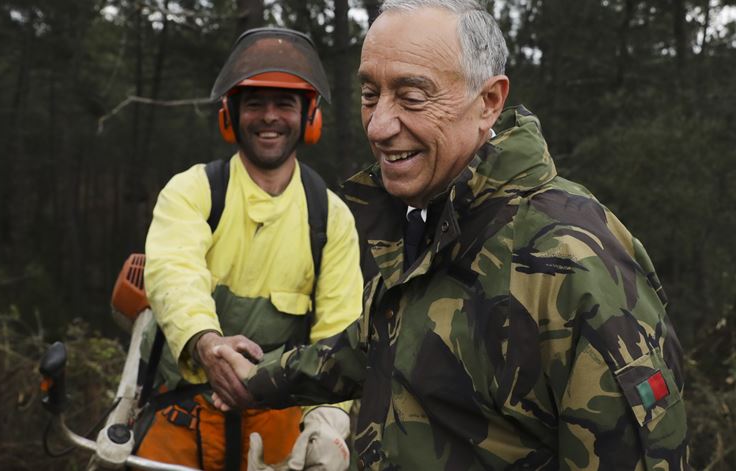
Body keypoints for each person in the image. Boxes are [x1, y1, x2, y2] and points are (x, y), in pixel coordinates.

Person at [211, 1, 690, 469]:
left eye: (412, 97)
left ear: (488, 101)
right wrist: (253, 379)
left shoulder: (573, 261)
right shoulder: (430, 224)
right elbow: (370, 348)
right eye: (369, 95)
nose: (378, 127)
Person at [136, 27, 363, 471]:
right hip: (176, 418)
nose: (269, 117)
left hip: (278, 431)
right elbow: (174, 273)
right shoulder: (192, 191)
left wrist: (326, 427)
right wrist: (205, 341)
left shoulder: (331, 218)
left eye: (284, 104)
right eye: (255, 103)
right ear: (231, 115)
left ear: (309, 117)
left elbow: (340, 337)